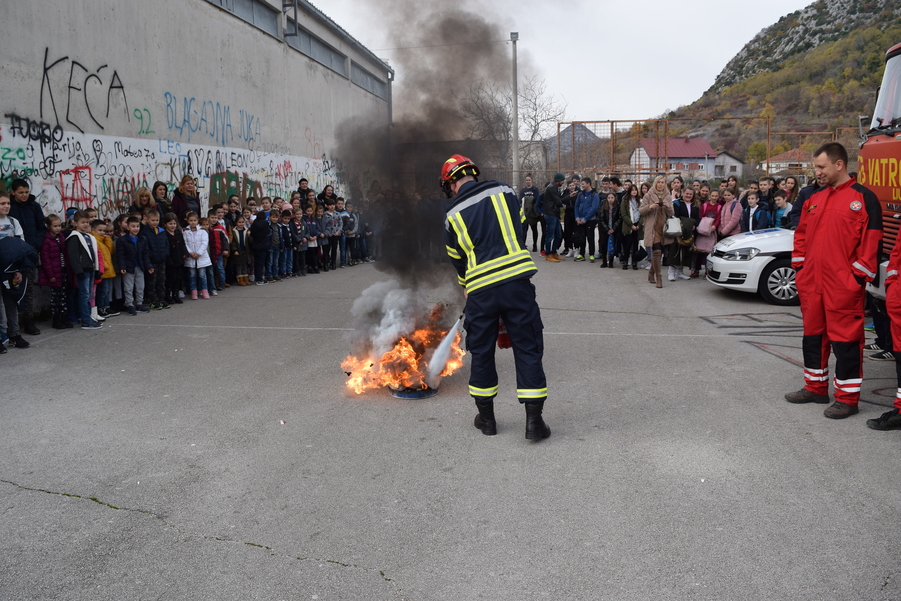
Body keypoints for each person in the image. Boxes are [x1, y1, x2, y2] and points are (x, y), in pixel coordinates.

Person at [439, 154, 549, 441]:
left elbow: (457, 259)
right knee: (527, 347)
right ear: (473, 173)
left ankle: (487, 420)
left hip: (481, 291)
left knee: (482, 352)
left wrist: (467, 283)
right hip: (516, 283)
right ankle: (534, 423)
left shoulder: (452, 215)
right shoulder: (505, 191)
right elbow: (520, 226)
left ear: (451, 184)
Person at [785, 142, 882, 419]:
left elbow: (872, 241)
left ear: (839, 165)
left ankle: (847, 399)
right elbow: (801, 234)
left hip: (843, 286)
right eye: (816, 167)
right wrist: (800, 268)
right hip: (812, 283)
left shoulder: (864, 198)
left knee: (846, 342)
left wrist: (856, 277)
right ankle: (815, 388)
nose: (817, 172)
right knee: (813, 338)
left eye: (821, 167)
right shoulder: (813, 198)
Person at [7, 179, 45, 335]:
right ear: (13, 193)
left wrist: (35, 244)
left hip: (30, 253)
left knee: (28, 289)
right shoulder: (8, 208)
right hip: (12, 256)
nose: (24, 195)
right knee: (11, 288)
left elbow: (41, 228)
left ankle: (29, 321)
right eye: (20, 192)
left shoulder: (34, 207)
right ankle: (12, 324)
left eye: (26, 192)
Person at [65, 210, 103, 329]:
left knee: (89, 295)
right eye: (82, 222)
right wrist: (78, 271)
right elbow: (74, 256)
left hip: (90, 269)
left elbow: (94, 254)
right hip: (82, 270)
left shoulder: (89, 237)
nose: (85, 224)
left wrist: (96, 269)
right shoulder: (74, 237)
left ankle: (88, 316)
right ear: (75, 223)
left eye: (87, 222)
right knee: (84, 295)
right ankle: (85, 320)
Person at [639, 176, 674, 288]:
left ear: (665, 184)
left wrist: (668, 206)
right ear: (655, 183)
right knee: (657, 252)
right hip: (652, 228)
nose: (660, 184)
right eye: (658, 182)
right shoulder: (648, 195)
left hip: (663, 228)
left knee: (658, 253)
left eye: (662, 182)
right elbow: (641, 211)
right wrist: (650, 206)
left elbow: (671, 213)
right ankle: (659, 278)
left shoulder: (667, 196)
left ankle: (651, 273)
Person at [116, 215, 153, 314]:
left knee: (140, 286)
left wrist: (148, 266)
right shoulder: (122, 240)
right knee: (128, 287)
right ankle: (129, 304)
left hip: (140, 266)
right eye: (133, 226)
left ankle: (139, 304)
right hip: (128, 267)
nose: (135, 228)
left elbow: (145, 254)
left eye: (137, 226)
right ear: (127, 227)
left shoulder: (143, 239)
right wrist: (122, 267)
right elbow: (121, 255)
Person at [668, 187, 699, 280]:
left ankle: (680, 272)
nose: (688, 195)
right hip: (679, 230)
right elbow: (674, 216)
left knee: (685, 252)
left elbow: (697, 218)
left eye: (690, 194)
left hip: (689, 232)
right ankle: (671, 272)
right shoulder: (677, 203)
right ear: (683, 193)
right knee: (675, 251)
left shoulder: (695, 205)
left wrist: (695, 225)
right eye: (687, 193)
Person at [141, 210, 169, 309]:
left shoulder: (161, 231)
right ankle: (152, 300)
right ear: (147, 219)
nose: (155, 222)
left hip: (161, 260)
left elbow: (166, 244)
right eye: (152, 220)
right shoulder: (145, 232)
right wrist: (148, 262)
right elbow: (145, 248)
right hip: (152, 261)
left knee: (161, 281)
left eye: (157, 220)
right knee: (151, 282)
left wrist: (166, 254)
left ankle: (161, 298)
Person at [92, 219, 118, 318]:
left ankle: (106, 306)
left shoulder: (103, 240)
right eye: (100, 230)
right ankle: (101, 307)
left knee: (106, 290)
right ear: (93, 229)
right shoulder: (95, 240)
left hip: (107, 269)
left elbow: (110, 251)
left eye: (104, 231)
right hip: (103, 270)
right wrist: (105, 266)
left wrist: (107, 239)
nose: (103, 233)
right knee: (102, 290)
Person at [183, 212, 211, 299]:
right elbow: (185, 243)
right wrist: (190, 252)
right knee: (192, 275)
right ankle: (193, 291)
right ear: (187, 221)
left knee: (202, 275)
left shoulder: (203, 231)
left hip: (201, 257)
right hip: (191, 257)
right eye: (191, 220)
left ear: (197, 220)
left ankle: (204, 290)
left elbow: (204, 243)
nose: (193, 222)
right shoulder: (185, 232)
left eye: (194, 220)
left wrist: (198, 253)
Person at [574, 177, 599, 263]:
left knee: (590, 237)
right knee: (581, 237)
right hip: (580, 220)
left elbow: (594, 208)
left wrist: (585, 219)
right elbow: (576, 206)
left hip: (590, 220)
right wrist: (577, 218)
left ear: (588, 184)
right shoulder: (580, 194)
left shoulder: (594, 194)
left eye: (583, 184)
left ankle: (591, 254)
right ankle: (581, 254)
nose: (582, 185)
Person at [543, 173, 566, 262]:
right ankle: (548, 254)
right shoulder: (552, 187)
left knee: (558, 234)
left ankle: (553, 252)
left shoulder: (553, 187)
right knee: (550, 235)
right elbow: (558, 201)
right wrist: (567, 198)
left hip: (554, 214)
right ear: (558, 180)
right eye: (562, 180)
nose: (563, 182)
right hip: (550, 213)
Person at [619, 185, 643, 270]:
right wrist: (631, 225)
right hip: (628, 226)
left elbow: (642, 214)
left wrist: (639, 225)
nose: (634, 191)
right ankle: (625, 262)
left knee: (635, 245)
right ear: (629, 191)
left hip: (637, 225)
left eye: (635, 190)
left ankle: (634, 262)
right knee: (627, 245)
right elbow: (624, 214)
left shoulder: (640, 201)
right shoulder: (625, 201)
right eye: (632, 190)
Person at [596, 192, 620, 268]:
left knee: (612, 245)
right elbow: (601, 219)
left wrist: (614, 228)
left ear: (615, 198)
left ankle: (611, 262)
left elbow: (619, 218)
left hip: (614, 229)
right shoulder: (603, 206)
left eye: (612, 198)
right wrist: (607, 229)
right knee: (603, 245)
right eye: (609, 198)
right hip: (605, 230)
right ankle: (604, 261)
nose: (610, 199)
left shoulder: (617, 207)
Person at [249, 207, 271, 285]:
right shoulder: (265, 224)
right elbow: (268, 232)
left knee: (256, 262)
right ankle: (259, 279)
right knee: (261, 263)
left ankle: (256, 277)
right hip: (263, 245)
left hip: (255, 245)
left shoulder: (254, 224)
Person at [520, 174, 541, 252]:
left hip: (533, 213)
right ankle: (523, 245)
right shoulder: (523, 190)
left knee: (534, 229)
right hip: (525, 213)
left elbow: (536, 199)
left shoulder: (535, 189)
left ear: (532, 181)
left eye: (529, 180)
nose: (528, 181)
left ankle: (535, 245)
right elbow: (520, 200)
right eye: (526, 180)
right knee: (524, 230)